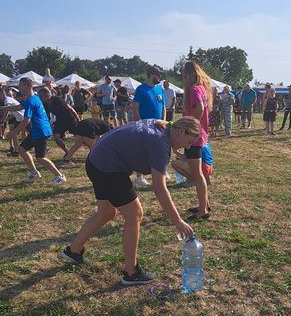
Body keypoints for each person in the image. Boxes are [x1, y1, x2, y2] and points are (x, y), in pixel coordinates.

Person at [60, 117, 199, 285]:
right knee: (135, 214)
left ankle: (73, 251)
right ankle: (131, 273)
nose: (188, 147)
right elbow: (159, 188)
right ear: (181, 131)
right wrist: (178, 221)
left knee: (106, 212)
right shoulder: (160, 143)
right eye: (189, 141)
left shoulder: (160, 126)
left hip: (96, 160)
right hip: (107, 167)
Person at [0, 78, 66, 185]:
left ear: (26, 86)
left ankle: (59, 176)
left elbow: (26, 121)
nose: (19, 88)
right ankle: (34, 173)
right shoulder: (32, 99)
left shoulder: (32, 101)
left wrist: (14, 132)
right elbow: (17, 107)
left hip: (41, 131)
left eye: (20, 85)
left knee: (40, 158)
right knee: (21, 149)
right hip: (36, 131)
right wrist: (0, 107)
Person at [182, 61, 211, 220]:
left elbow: (199, 108)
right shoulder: (202, 88)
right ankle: (204, 204)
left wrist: (191, 128)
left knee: (197, 175)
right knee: (199, 174)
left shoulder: (193, 89)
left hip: (194, 137)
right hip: (201, 135)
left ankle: (203, 210)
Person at [132, 66, 167, 187]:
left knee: (159, 150)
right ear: (151, 75)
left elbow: (163, 107)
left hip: (159, 124)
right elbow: (135, 108)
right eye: (157, 74)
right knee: (142, 151)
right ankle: (139, 177)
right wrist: (140, 124)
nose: (159, 77)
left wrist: (164, 121)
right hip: (145, 124)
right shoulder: (141, 89)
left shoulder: (160, 89)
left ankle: (161, 172)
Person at [37, 87, 80, 163]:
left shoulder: (56, 99)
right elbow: (47, 116)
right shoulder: (45, 104)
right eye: (39, 96)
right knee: (56, 137)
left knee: (81, 136)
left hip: (69, 119)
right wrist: (46, 125)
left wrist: (78, 119)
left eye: (41, 96)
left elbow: (70, 108)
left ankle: (92, 147)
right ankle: (67, 152)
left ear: (46, 95)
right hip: (60, 121)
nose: (39, 97)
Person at [0, 87, 24, 156]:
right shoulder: (8, 100)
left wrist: (3, 119)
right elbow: (13, 113)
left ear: (3, 94)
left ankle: (18, 150)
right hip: (19, 119)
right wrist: (6, 119)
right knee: (14, 134)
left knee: (33, 134)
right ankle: (16, 151)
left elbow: (7, 108)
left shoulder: (7, 99)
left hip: (24, 118)